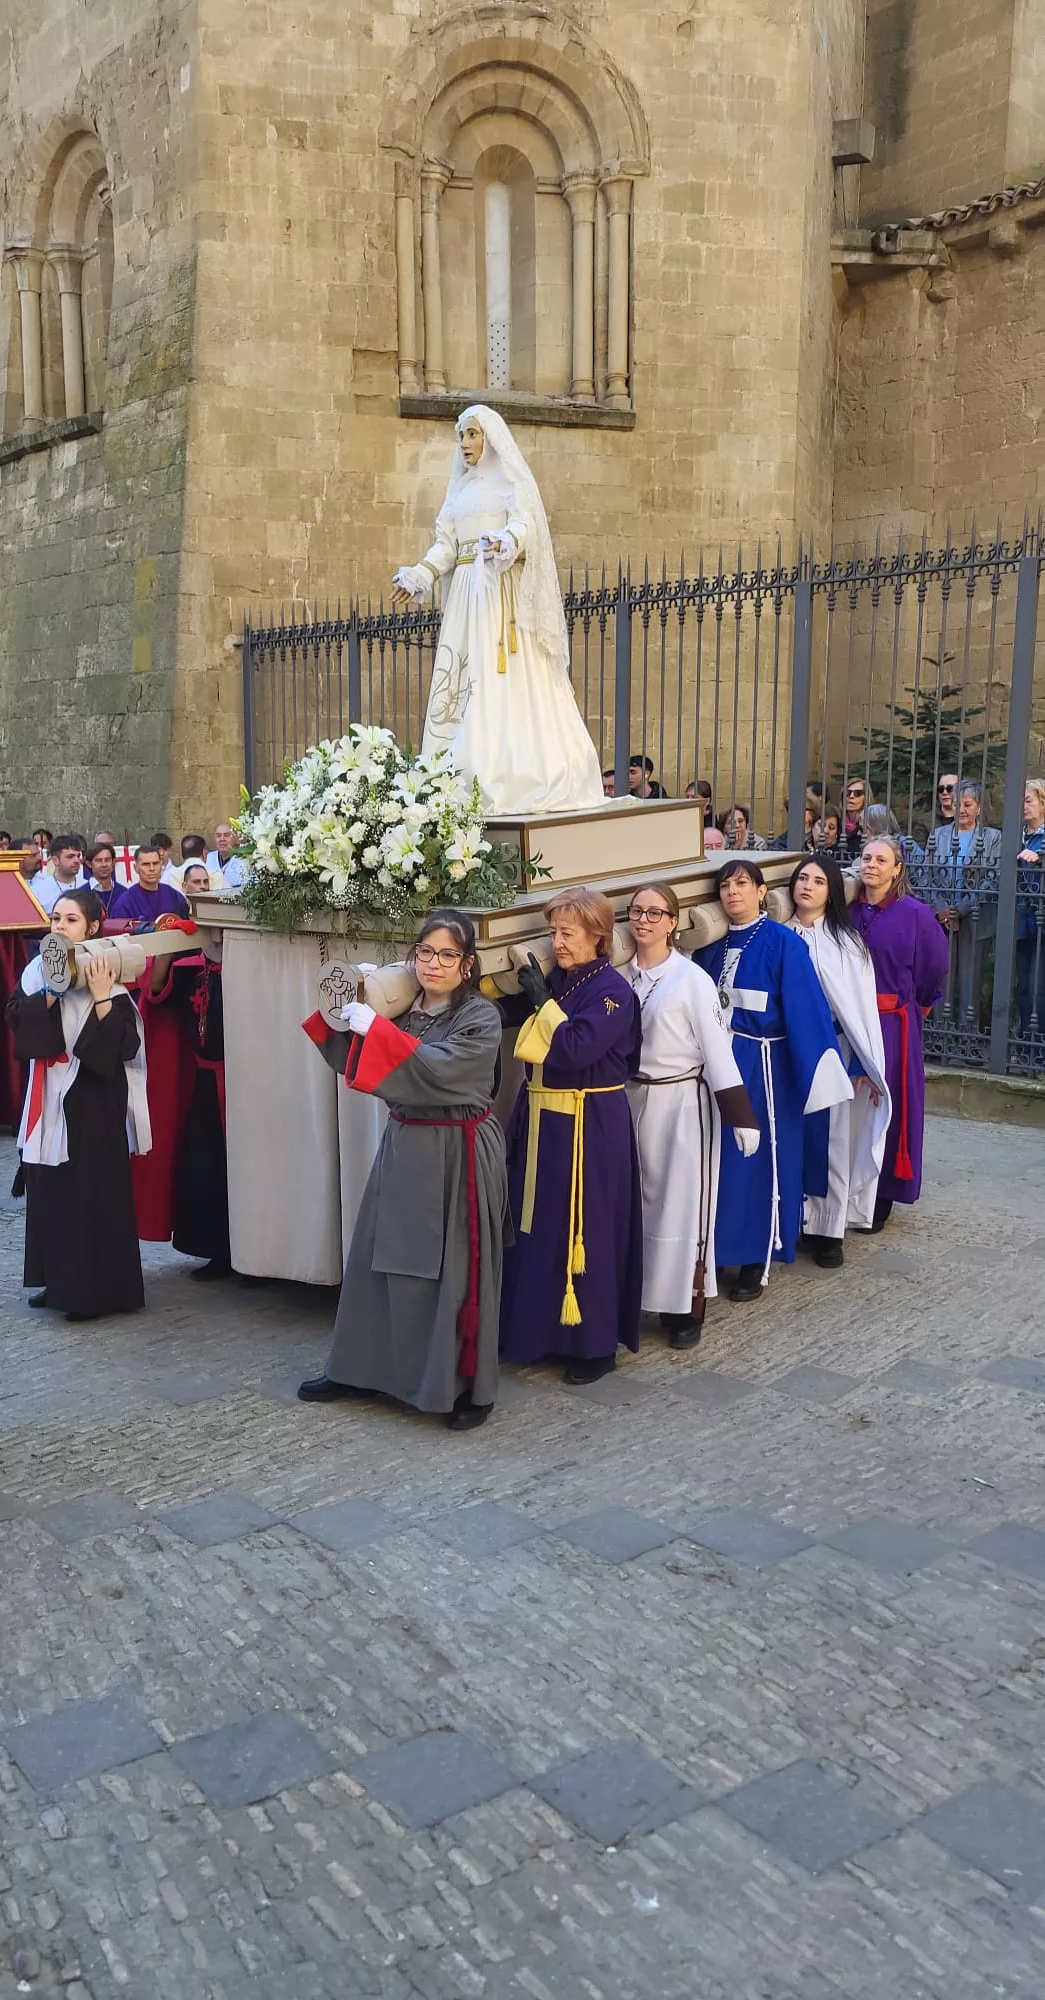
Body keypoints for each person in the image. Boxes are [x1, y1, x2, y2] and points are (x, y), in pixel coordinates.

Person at [298, 911, 507, 1429]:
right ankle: (357, 1367)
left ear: (468, 963)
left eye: (447, 955)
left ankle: (464, 1388)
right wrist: (347, 1009)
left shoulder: (480, 1017)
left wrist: (381, 1034)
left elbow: (438, 1070)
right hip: (405, 1142)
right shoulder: (401, 1010)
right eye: (425, 952)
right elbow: (352, 1059)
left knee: (455, 1268)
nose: (433, 964)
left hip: (457, 1150)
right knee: (377, 1257)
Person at [390, 404, 604, 815]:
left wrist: (506, 542)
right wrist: (420, 573)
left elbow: (526, 525)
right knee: (463, 678)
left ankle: (515, 771)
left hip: (500, 592)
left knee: (506, 678)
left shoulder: (511, 484)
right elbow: (447, 545)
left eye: (472, 434)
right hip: (467, 597)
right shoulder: (460, 492)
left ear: (490, 437)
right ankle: (455, 773)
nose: (465, 443)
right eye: (461, 436)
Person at [500, 888, 643, 1383]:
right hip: (542, 1117)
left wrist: (540, 1000)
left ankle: (594, 1344)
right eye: (553, 932)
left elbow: (577, 1047)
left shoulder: (614, 991)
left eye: (568, 933)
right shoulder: (558, 981)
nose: (557, 942)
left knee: (590, 1229)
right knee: (538, 1225)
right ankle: (538, 1332)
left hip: (591, 1122)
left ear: (597, 936)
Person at [693, 860, 853, 1300]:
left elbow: (806, 1011)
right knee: (721, 1160)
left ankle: (755, 1257)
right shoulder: (709, 950)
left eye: (742, 884)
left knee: (759, 1163)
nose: (732, 893)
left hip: (766, 1067)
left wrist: (811, 1073)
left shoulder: (783, 944)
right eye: (724, 886)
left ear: (762, 891)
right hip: (720, 1064)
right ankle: (722, 1248)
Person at [6, 889, 150, 1320]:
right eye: (55, 918)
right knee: (49, 1189)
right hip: (48, 1093)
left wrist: (103, 997)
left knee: (90, 1193)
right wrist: (51, 991)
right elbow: (16, 1018)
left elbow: (122, 1047)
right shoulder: (37, 972)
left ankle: (95, 1292)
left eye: (70, 920)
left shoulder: (109, 973)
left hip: (92, 1100)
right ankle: (57, 1281)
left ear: (91, 927)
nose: (59, 927)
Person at [624, 883, 757, 1349]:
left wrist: (741, 1116)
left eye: (655, 913)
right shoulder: (622, 977)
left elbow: (716, 1047)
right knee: (635, 1203)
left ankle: (685, 1306)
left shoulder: (691, 979)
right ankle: (637, 1295)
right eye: (637, 911)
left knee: (681, 1205)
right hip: (631, 1098)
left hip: (682, 1103)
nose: (644, 920)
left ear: (673, 923)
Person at [786, 855, 890, 1263]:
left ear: (831, 892)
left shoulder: (846, 944)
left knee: (831, 1139)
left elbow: (858, 1010)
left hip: (833, 1050)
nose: (807, 886)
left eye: (818, 881)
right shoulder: (779, 936)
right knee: (792, 1135)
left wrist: (861, 1064)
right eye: (801, 879)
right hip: (785, 1052)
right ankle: (794, 1221)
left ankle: (829, 1229)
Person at [850, 837, 948, 1230]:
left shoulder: (916, 915)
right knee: (852, 1109)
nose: (871, 865)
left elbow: (934, 967)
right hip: (852, 1021)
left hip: (893, 1024)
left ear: (897, 869)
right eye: (866, 857)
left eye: (880, 860)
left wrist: (914, 1008)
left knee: (888, 1106)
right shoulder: (846, 911)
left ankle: (882, 1194)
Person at [138, 929, 231, 1279]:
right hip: (203, 1082)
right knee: (205, 1169)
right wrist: (167, 942)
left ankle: (255, 1254)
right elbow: (157, 990)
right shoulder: (191, 968)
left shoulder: (249, 969)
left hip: (246, 1080)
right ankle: (216, 1252)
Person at [926, 781, 1001, 1027]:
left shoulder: (992, 838)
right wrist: (942, 909)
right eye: (957, 804)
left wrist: (960, 909)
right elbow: (927, 875)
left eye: (967, 804)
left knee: (970, 982)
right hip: (942, 919)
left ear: (979, 808)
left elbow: (991, 879)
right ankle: (939, 1037)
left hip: (975, 919)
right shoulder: (939, 835)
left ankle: (965, 1042)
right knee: (942, 980)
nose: (961, 810)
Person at [1016, 778, 1045, 1038]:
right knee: (1023, 985)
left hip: (1040, 916)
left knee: (1039, 986)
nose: (1024, 806)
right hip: (1021, 919)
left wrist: (1039, 860)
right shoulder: (1017, 835)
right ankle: (1025, 1043)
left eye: (1028, 801)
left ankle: (1037, 1050)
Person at [114, 846, 190, 923]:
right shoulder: (125, 903)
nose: (152, 868)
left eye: (155, 863)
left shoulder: (174, 896)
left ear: (161, 865)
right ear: (136, 868)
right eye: (146, 864)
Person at [32, 834, 86, 915]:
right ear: (55, 860)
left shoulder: (88, 887)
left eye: (78, 856)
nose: (77, 860)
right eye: (70, 857)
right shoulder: (37, 891)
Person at [81, 841, 126, 917]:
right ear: (89, 864)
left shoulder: (124, 893)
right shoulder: (81, 894)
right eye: (98, 860)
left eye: (107, 860)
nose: (104, 865)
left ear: (113, 862)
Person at [207, 822, 247, 890]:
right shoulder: (210, 857)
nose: (222, 839)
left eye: (226, 835)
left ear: (236, 839)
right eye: (218, 836)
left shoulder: (245, 858)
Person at [842, 778, 869, 855]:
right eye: (848, 793)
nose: (851, 796)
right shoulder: (836, 821)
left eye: (857, 793)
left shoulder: (868, 824)